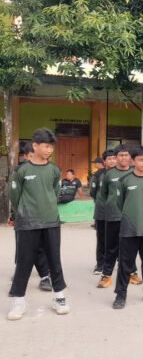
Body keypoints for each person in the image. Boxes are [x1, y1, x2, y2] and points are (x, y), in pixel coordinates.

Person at [8, 128, 70, 320]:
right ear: (34, 146)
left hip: (51, 221)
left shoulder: (54, 170)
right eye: (46, 146)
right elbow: (15, 197)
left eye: (51, 147)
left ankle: (59, 297)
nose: (49, 150)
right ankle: (19, 301)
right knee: (24, 262)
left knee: (54, 260)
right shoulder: (21, 170)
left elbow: (55, 192)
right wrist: (24, 212)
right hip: (27, 222)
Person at [112, 146, 143, 309]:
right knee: (125, 264)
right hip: (128, 228)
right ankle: (121, 295)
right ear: (133, 161)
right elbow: (120, 203)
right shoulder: (124, 181)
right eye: (141, 160)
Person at [9, 142, 52, 294]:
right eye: (32, 155)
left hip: (43, 217)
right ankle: (19, 277)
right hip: (24, 217)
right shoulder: (20, 170)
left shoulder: (48, 169)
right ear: (26, 156)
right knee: (22, 247)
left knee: (40, 247)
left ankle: (45, 277)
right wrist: (17, 213)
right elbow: (15, 195)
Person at [97, 144, 141, 288]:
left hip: (130, 217)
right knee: (111, 247)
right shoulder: (108, 174)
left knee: (130, 247)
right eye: (120, 155)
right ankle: (106, 276)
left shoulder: (135, 173)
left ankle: (132, 273)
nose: (123, 158)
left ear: (130, 157)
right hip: (113, 216)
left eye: (126, 155)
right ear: (116, 158)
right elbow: (103, 195)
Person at [89, 150, 117, 274]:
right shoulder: (98, 174)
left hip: (118, 212)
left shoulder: (123, 173)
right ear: (104, 161)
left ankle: (123, 264)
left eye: (114, 158)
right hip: (102, 212)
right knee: (102, 240)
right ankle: (100, 264)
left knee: (120, 239)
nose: (112, 161)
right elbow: (93, 192)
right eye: (109, 159)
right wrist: (101, 202)